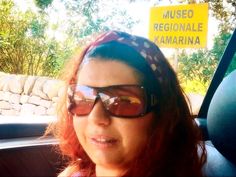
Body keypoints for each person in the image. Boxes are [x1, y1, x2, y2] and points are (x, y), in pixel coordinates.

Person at [49, 31, 206, 177]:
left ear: (162, 115)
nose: (95, 117)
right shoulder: (74, 172)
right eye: (82, 98)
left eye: (123, 101)